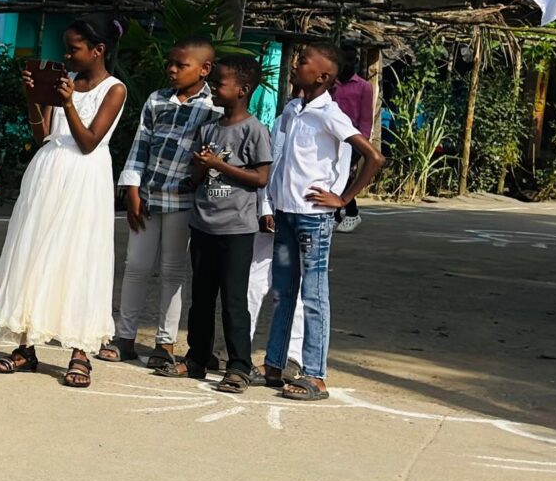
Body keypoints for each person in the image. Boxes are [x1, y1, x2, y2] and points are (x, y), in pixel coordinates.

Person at [0, 17, 126, 387]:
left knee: (79, 257)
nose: (67, 55)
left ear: (98, 50)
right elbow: (43, 134)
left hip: (85, 177)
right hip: (47, 172)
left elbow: (89, 142)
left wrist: (69, 103)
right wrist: (34, 98)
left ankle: (81, 351)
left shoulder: (114, 89)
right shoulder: (65, 81)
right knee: (34, 252)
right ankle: (25, 346)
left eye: (74, 48)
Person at [263, 43, 384, 402]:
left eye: (302, 62)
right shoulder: (293, 109)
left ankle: (316, 376)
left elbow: (373, 157)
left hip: (313, 220)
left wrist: (343, 198)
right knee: (283, 292)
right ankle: (274, 364)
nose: (295, 65)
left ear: (322, 77)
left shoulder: (330, 114)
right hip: (286, 214)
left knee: (313, 295)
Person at [105, 39, 216, 368]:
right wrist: (132, 190)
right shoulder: (156, 100)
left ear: (204, 69)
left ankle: (164, 344)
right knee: (136, 266)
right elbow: (141, 144)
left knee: (172, 271)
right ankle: (125, 337)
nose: (172, 69)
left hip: (183, 201)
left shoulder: (213, 107)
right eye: (170, 63)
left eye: (182, 65)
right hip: (148, 198)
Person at [185, 55, 274, 392]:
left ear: (242, 89)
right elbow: (196, 177)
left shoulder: (254, 130)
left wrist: (219, 165)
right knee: (201, 297)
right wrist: (199, 167)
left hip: (236, 228)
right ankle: (197, 358)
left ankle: (239, 365)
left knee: (233, 299)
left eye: (219, 83)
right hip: (203, 224)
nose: (213, 89)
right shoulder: (208, 128)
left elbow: (261, 177)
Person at [328, 53, 375, 232]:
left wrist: (363, 142)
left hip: (352, 138)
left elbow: (366, 117)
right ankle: (335, 214)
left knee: (345, 175)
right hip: (332, 136)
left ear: (354, 63)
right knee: (333, 175)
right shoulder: (332, 84)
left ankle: (352, 212)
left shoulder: (364, 86)